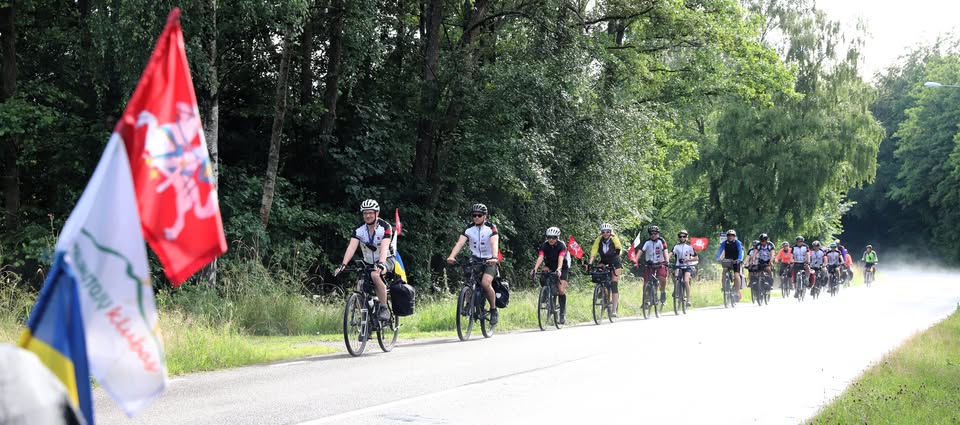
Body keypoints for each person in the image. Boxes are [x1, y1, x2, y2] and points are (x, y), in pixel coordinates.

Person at [334, 199, 395, 321]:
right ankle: (366, 320)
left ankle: (383, 308)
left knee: (375, 275)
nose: (367, 215)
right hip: (368, 261)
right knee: (360, 286)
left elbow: (384, 248)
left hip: (386, 259)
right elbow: (351, 247)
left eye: (370, 213)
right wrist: (343, 264)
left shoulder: (385, 227)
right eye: (365, 213)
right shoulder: (359, 229)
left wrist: (381, 264)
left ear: (377, 213)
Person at [446, 203, 501, 325]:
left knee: (486, 283)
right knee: (468, 282)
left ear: (485, 216)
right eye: (474, 215)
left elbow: (494, 243)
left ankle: (493, 310)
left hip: (489, 260)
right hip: (475, 259)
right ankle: (468, 304)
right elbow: (459, 243)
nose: (476, 217)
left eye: (479, 215)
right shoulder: (468, 228)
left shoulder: (491, 227)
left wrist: (494, 257)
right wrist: (451, 256)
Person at [531, 227, 570, 324]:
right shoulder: (544, 245)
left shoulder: (562, 245)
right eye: (549, 237)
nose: (551, 239)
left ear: (557, 238)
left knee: (561, 290)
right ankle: (546, 292)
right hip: (550, 265)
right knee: (543, 273)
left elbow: (561, 257)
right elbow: (540, 257)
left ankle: (562, 313)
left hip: (562, 267)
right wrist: (535, 268)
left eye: (554, 237)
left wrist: (559, 269)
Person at [588, 223, 623, 316]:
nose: (605, 234)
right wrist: (590, 263)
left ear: (610, 232)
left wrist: (614, 237)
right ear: (601, 233)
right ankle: (602, 292)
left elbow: (619, 247)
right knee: (599, 274)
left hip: (615, 260)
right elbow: (594, 252)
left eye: (608, 232)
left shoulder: (613, 238)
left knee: (614, 283)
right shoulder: (598, 240)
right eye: (603, 232)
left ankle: (614, 310)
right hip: (604, 260)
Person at [633, 225, 671, 304]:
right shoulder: (647, 242)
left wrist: (667, 261)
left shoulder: (661, 241)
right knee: (646, 282)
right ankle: (645, 301)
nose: (653, 235)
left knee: (662, 278)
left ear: (658, 234)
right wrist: (635, 260)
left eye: (655, 233)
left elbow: (665, 251)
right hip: (649, 263)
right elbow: (640, 251)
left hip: (660, 262)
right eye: (651, 234)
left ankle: (663, 292)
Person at [714, 229, 744, 299]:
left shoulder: (737, 243)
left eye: (732, 236)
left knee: (736, 276)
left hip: (736, 261)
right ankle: (724, 286)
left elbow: (740, 252)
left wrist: (739, 259)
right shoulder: (724, 243)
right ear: (727, 236)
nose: (730, 237)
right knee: (724, 270)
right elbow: (720, 250)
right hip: (727, 260)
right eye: (729, 235)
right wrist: (718, 258)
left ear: (734, 236)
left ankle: (737, 291)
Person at [672, 230, 698, 307]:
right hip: (678, 265)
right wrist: (666, 259)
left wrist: (688, 260)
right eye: (680, 236)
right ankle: (676, 289)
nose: (682, 238)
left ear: (686, 237)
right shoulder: (676, 246)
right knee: (675, 276)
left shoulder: (690, 247)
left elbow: (696, 258)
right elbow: (671, 253)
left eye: (684, 236)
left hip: (687, 266)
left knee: (686, 281)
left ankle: (688, 299)